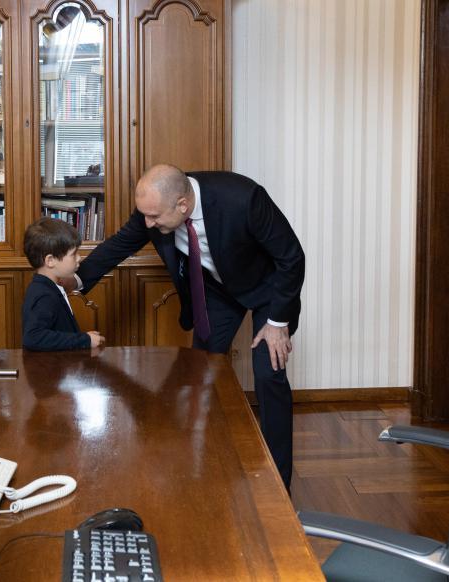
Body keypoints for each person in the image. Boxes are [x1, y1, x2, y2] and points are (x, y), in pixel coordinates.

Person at [70, 164, 305, 487]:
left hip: (268, 292)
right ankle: (206, 462)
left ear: (183, 205)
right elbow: (119, 244)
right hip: (218, 291)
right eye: (144, 216)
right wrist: (75, 280)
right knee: (200, 372)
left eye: (154, 217)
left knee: (268, 373)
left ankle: (278, 482)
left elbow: (291, 257)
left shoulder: (243, 198)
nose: (147, 224)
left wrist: (278, 321)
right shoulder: (154, 207)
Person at [22, 218, 105, 351]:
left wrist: (82, 337)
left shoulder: (49, 287)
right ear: (50, 260)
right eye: (73, 254)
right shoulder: (44, 295)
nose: (79, 258)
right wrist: (84, 340)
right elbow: (33, 338)